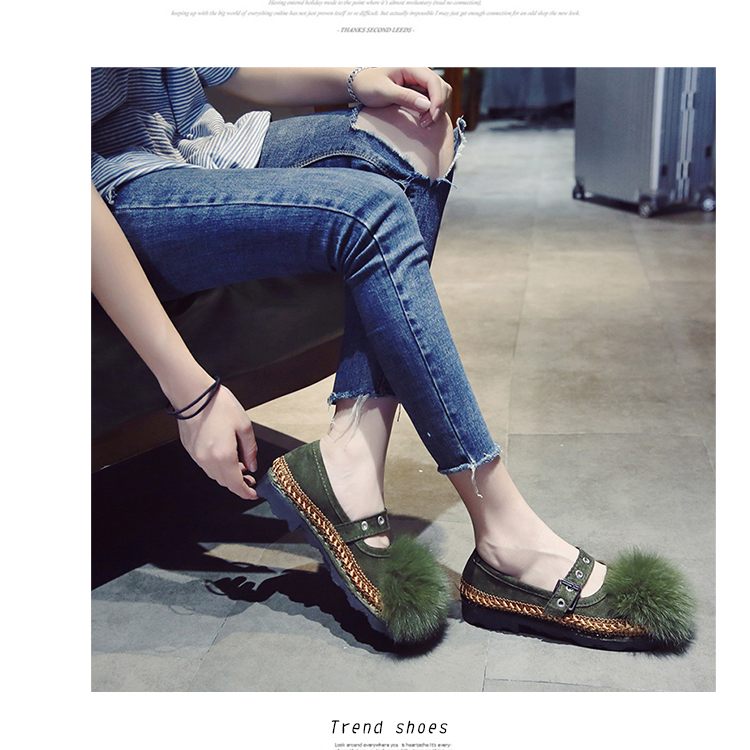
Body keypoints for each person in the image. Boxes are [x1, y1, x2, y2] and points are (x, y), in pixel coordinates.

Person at [92, 67, 694, 650]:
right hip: (112, 187)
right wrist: (192, 396)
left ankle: (353, 449)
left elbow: (222, 65)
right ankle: (503, 527)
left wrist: (357, 79)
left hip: (198, 147)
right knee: (371, 210)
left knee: (424, 133)